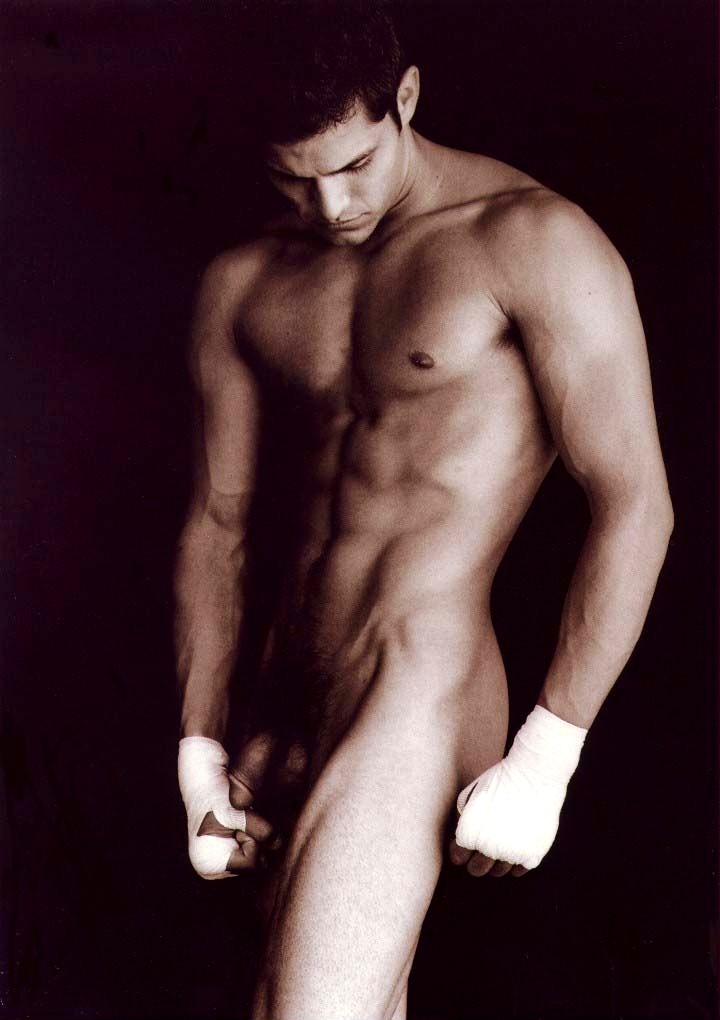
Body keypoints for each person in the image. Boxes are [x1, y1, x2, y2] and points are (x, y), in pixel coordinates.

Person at [174, 2, 673, 1017]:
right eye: (292, 178)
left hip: (419, 683)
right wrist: (200, 750)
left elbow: (635, 502)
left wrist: (549, 754)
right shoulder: (244, 282)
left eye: (355, 164)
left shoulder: (531, 241)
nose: (331, 206)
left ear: (405, 98)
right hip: (287, 700)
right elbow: (219, 526)